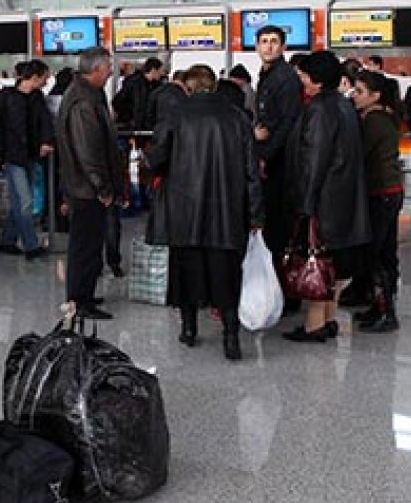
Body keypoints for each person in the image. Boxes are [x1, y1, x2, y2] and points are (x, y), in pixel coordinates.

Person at [147, 64, 264, 361]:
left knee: (186, 271)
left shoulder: (175, 115)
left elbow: (156, 158)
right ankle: (230, 336)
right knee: (226, 275)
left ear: (188, 87)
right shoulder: (238, 118)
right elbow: (252, 171)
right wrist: (255, 215)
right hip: (226, 211)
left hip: (184, 211)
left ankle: (188, 329)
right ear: (213, 85)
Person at [280, 51, 370, 343]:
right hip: (344, 194)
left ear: (316, 80)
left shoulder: (319, 108)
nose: (301, 80)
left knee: (317, 259)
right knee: (334, 262)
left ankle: (314, 325)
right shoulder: (343, 105)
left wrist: (306, 202)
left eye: (304, 75)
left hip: (324, 198)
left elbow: (315, 158)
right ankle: (329, 319)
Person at [57, 46, 122, 321]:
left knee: (90, 244)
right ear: (95, 69)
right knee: (84, 246)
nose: (110, 72)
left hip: (84, 185)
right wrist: (102, 187)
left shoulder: (88, 94)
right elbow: (88, 151)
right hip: (85, 188)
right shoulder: (83, 102)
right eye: (108, 67)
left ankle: (83, 293)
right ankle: (79, 300)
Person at [350, 70, 405, 333]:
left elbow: (358, 153)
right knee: (384, 252)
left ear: (376, 96)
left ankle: (386, 311)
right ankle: (379, 304)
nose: (354, 96)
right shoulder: (384, 116)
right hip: (389, 191)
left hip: (380, 192)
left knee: (376, 255)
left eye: (360, 92)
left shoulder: (373, 121)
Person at [252, 25, 305, 299]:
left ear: (283, 46)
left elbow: (288, 123)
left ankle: (284, 294)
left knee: (279, 230)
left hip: (280, 163)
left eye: (274, 41)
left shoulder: (285, 78)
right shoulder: (267, 75)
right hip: (270, 158)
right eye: (264, 41)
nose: (269, 46)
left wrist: (266, 155)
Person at [0, 59, 55, 259]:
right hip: (13, 156)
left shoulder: (35, 98)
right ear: (35, 77)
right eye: (44, 77)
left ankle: (8, 241)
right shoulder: (6, 98)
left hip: (30, 155)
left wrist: (46, 141)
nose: (46, 81)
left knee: (19, 201)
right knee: (25, 201)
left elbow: (44, 122)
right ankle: (31, 245)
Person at [112, 56, 163, 132]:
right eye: (159, 71)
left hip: (148, 127)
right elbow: (117, 102)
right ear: (153, 70)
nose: (161, 74)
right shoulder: (133, 83)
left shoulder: (157, 86)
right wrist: (129, 117)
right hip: (134, 127)